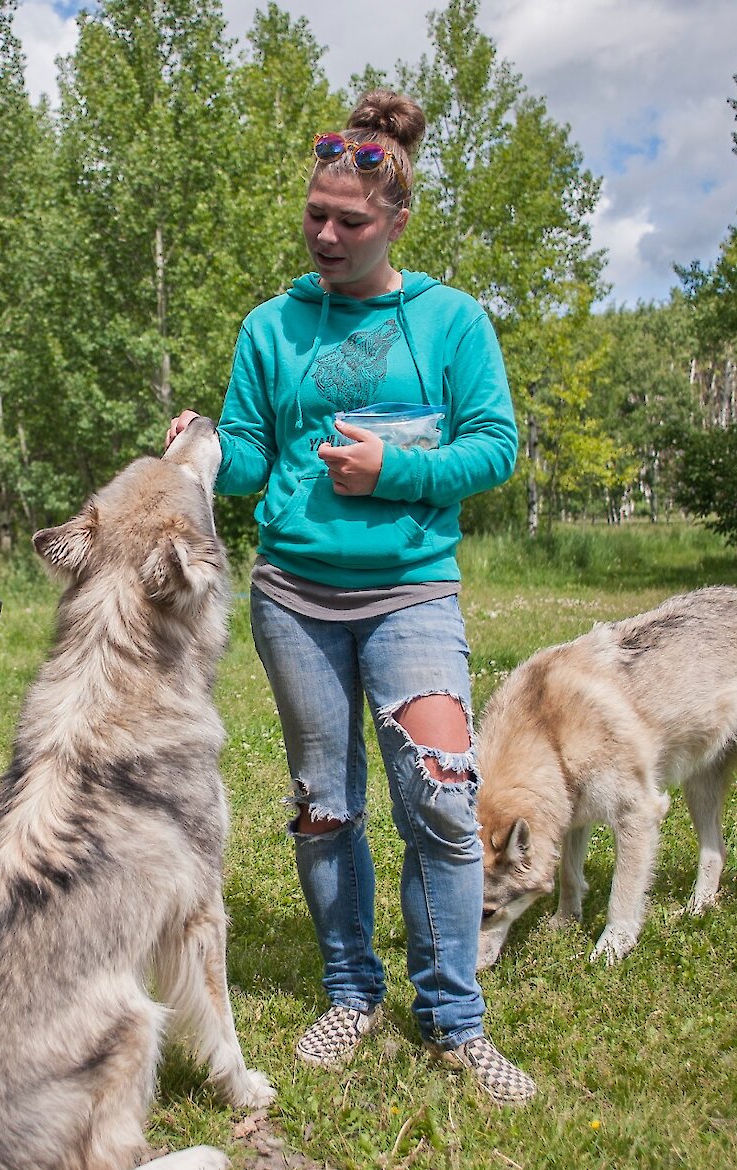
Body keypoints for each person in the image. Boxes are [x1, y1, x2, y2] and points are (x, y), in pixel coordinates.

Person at [165, 89, 532, 1106]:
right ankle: (348, 990)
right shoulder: (272, 327)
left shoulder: (451, 322)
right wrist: (202, 451)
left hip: (412, 592)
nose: (326, 236)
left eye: (350, 222)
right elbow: (249, 458)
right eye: (315, 217)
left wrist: (398, 474)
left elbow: (494, 447)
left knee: (442, 798)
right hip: (294, 596)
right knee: (323, 809)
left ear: (397, 222)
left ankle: (454, 1020)